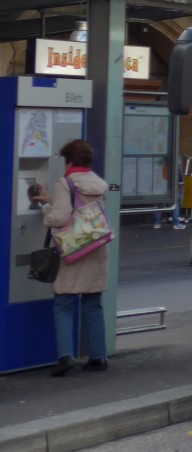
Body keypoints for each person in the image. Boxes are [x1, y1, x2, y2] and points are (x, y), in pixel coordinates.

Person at [31, 139, 110, 377]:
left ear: (70, 161)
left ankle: (65, 357)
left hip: (73, 250)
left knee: (63, 303)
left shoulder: (65, 182)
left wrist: (46, 212)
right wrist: (52, 202)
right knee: (92, 304)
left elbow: (61, 218)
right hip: (95, 247)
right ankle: (99, 357)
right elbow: (82, 211)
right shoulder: (97, 183)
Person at [152, 156, 185, 229]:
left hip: (159, 182)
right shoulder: (175, 153)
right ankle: (176, 223)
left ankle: (156, 223)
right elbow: (179, 169)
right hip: (172, 182)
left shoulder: (158, 156)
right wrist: (180, 181)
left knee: (158, 203)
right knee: (174, 203)